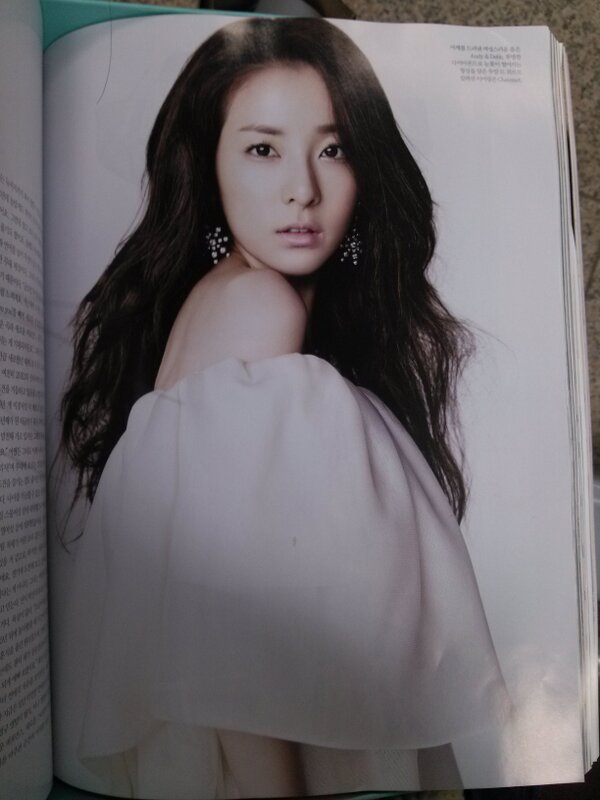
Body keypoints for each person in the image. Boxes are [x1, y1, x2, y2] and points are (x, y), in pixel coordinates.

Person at [57, 16, 507, 799]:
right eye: (263, 150)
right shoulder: (261, 306)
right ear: (210, 167)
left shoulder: (234, 298)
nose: (303, 187)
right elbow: (227, 626)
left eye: (333, 149)